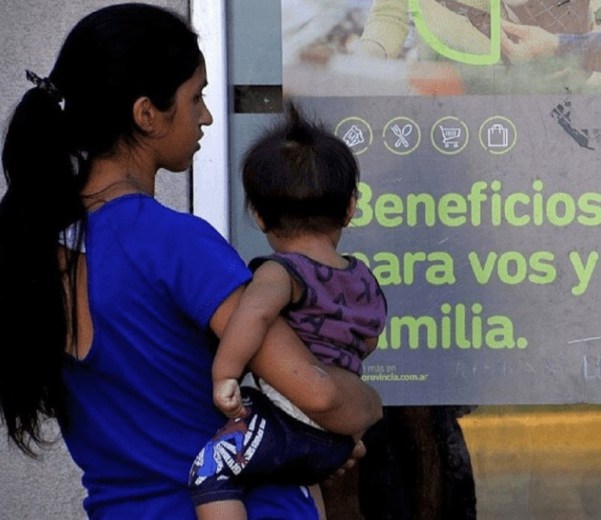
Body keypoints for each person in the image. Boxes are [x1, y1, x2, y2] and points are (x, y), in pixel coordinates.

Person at [0, 4, 381, 519]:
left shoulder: (33, 248)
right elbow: (318, 395)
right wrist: (367, 406)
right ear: (146, 114)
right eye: (196, 97)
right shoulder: (172, 242)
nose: (206, 116)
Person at [191, 103, 388, 520]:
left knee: (211, 471)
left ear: (259, 216)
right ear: (349, 208)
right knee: (295, 484)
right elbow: (368, 339)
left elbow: (254, 315)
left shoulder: (281, 272)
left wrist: (224, 374)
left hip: (285, 419)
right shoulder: (363, 278)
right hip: (336, 437)